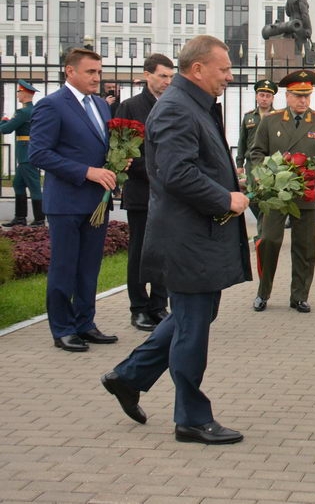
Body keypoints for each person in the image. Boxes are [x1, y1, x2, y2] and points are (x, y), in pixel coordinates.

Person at [99, 35, 251, 444]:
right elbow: (176, 173)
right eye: (224, 69)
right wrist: (225, 198)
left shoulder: (194, 104)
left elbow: (195, 164)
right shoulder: (176, 109)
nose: (230, 76)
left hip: (197, 237)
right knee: (191, 329)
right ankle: (191, 419)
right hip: (186, 239)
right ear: (197, 69)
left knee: (193, 318)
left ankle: (128, 377)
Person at [28, 47, 118, 353]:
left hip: (97, 202)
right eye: (90, 72)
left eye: (99, 72)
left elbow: (100, 147)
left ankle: (84, 323)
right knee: (65, 267)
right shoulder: (52, 105)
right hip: (66, 202)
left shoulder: (101, 105)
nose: (97, 77)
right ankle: (63, 329)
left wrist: (118, 162)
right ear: (70, 71)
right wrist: (86, 171)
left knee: (89, 268)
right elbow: (39, 153)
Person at [249, 69, 315, 313]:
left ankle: (299, 295)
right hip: (276, 193)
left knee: (304, 247)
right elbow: (256, 152)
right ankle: (263, 292)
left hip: (305, 193)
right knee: (269, 240)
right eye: (298, 95)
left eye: (306, 95)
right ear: (287, 96)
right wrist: (265, 174)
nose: (303, 101)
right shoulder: (271, 121)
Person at [114, 54, 175, 332]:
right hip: (142, 191)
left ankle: (159, 305)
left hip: (170, 193)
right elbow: (123, 152)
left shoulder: (174, 106)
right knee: (139, 251)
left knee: (164, 251)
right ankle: (138, 308)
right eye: (162, 76)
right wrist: (157, 172)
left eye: (171, 77)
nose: (167, 82)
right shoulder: (130, 107)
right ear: (147, 75)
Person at [1, 79, 44, 227]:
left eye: (19, 92)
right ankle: (20, 218)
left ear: (25, 93)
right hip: (28, 151)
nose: (17, 94)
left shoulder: (23, 112)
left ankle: (39, 219)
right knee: (18, 184)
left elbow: (6, 129)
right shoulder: (33, 110)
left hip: (26, 154)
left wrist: (3, 121)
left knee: (34, 186)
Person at [235, 79, 277, 196]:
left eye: (268, 96)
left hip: (270, 162)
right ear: (256, 97)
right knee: (252, 194)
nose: (264, 99)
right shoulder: (248, 117)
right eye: (261, 95)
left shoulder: (278, 117)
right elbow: (242, 141)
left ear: (272, 99)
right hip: (251, 163)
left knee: (268, 195)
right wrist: (239, 164)